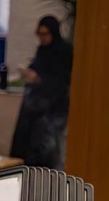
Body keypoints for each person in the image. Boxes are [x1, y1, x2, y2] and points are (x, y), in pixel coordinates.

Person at [9, 16, 73, 168]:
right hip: (35, 106)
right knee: (28, 144)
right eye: (40, 34)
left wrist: (39, 79)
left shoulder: (64, 51)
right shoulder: (42, 50)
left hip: (54, 108)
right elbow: (38, 68)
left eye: (45, 34)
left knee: (48, 148)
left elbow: (62, 79)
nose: (42, 38)